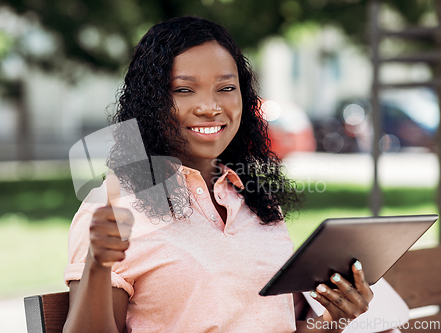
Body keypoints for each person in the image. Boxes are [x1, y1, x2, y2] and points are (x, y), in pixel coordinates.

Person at [62, 17, 374, 333]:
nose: (210, 107)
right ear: (151, 103)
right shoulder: (111, 210)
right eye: (184, 89)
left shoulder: (256, 201)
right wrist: (97, 266)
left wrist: (337, 319)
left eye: (226, 88)